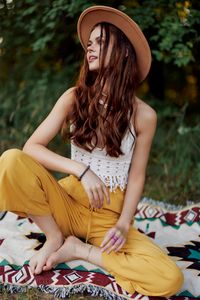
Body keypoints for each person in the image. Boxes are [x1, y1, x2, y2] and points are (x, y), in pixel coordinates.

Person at [0, 5, 183, 297]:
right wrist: (81, 170)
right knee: (10, 160)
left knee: (169, 278)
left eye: (100, 41)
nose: (90, 48)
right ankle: (55, 236)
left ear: (124, 51)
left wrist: (123, 225)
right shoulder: (73, 97)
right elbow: (31, 147)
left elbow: (137, 177)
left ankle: (79, 249)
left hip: (107, 219)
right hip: (67, 204)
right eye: (89, 43)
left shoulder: (144, 116)